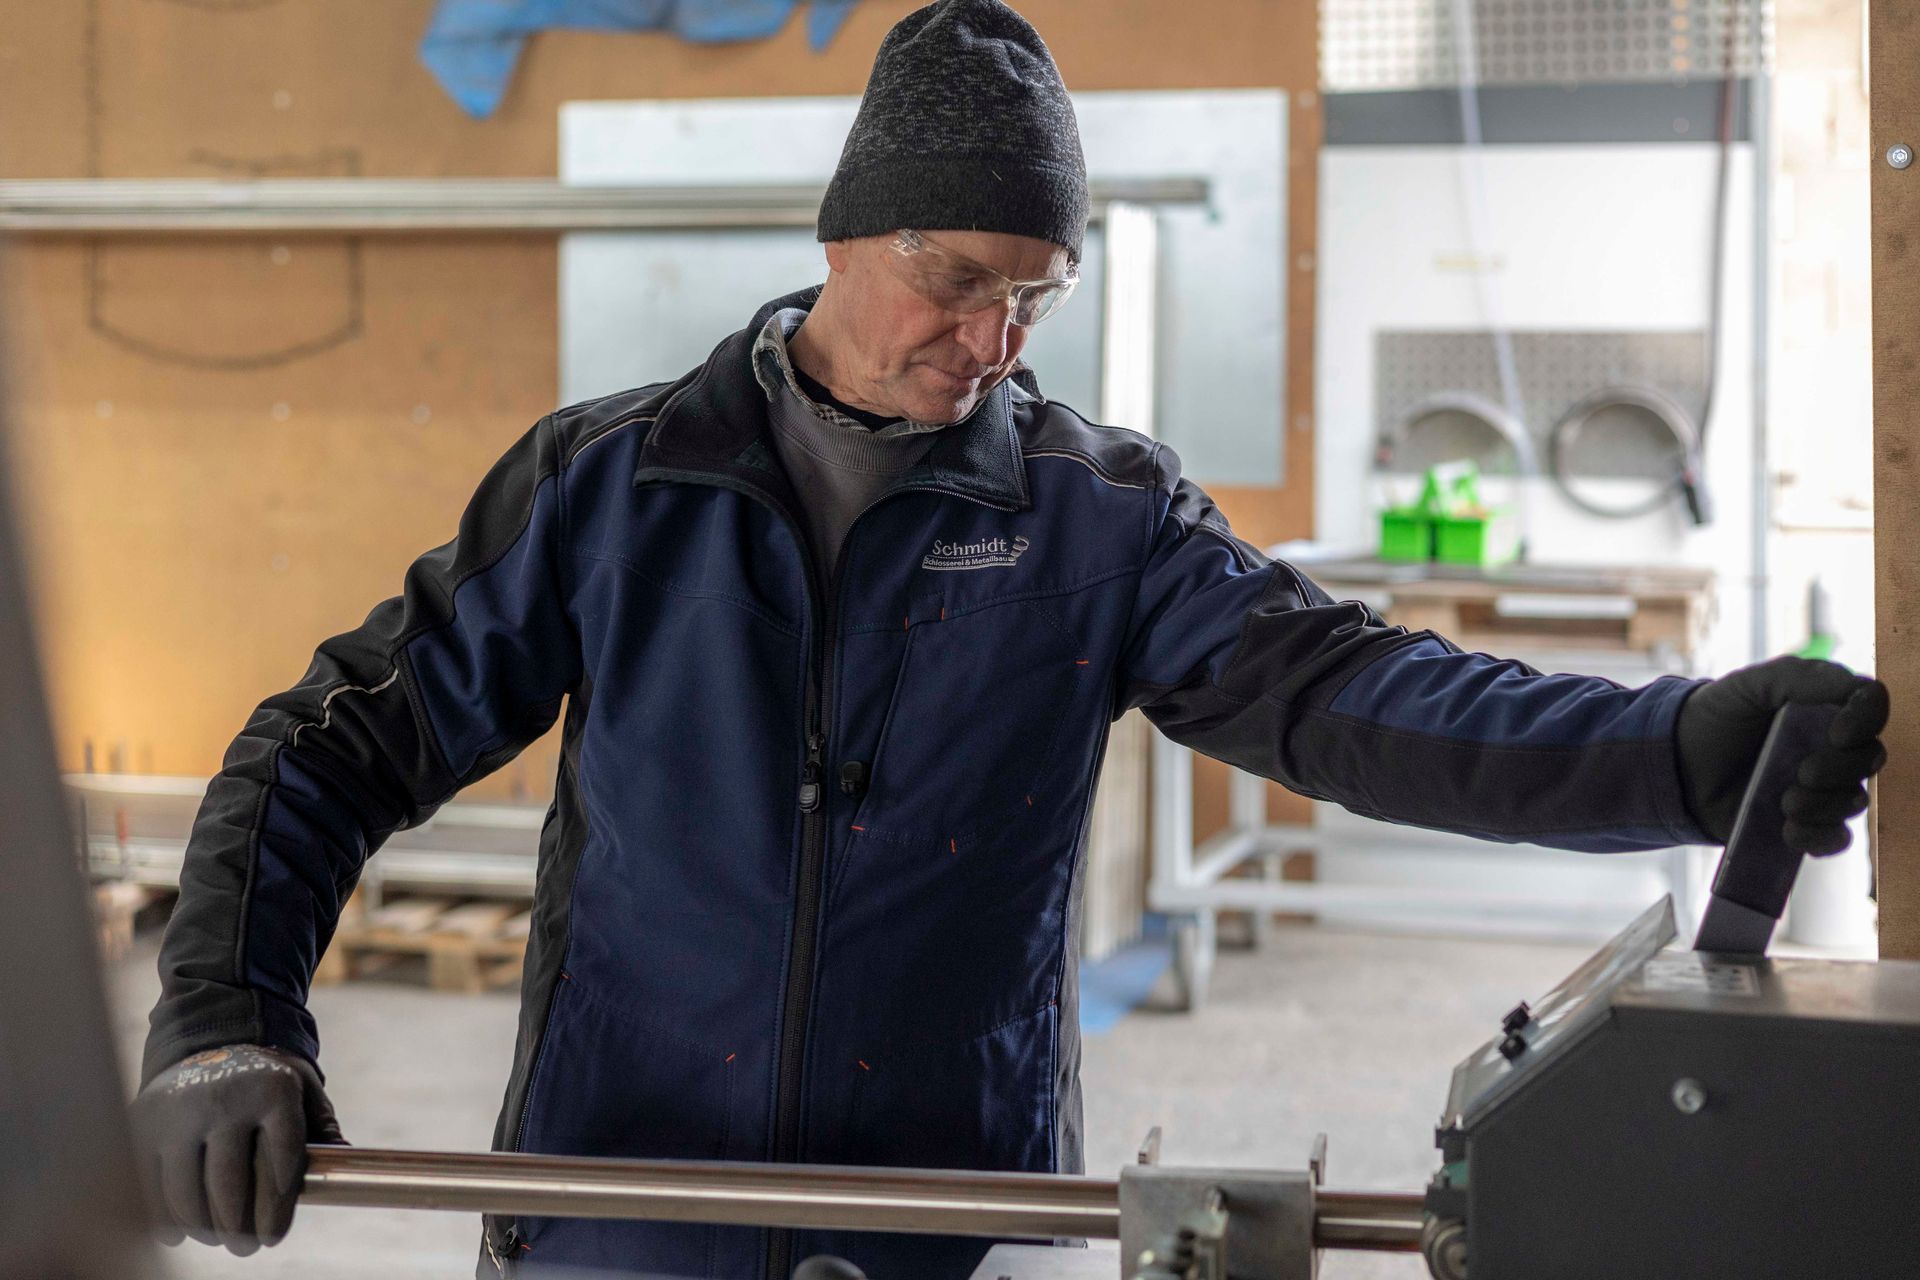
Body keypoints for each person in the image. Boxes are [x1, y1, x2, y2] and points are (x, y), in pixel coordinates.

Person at [129, 2, 1889, 1278]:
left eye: (1035, 296)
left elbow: (1352, 695)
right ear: (846, 232)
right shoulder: (614, 486)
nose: (991, 339)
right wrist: (227, 1019)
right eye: (958, 278)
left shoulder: (1092, 516)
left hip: (956, 1229)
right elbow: (332, 740)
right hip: (622, 1221)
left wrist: (1671, 752)